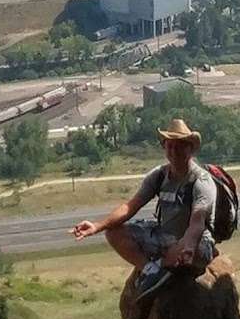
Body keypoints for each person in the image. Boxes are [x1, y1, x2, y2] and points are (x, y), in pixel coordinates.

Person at [71, 116, 217, 298]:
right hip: (163, 237)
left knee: (182, 249)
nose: (174, 151)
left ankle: (162, 267)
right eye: (169, 145)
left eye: (179, 145)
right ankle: (151, 270)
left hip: (194, 242)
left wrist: (187, 246)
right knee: (113, 232)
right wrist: (97, 226)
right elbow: (131, 206)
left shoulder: (201, 181)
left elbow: (198, 221)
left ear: (190, 148)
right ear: (164, 147)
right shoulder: (159, 176)